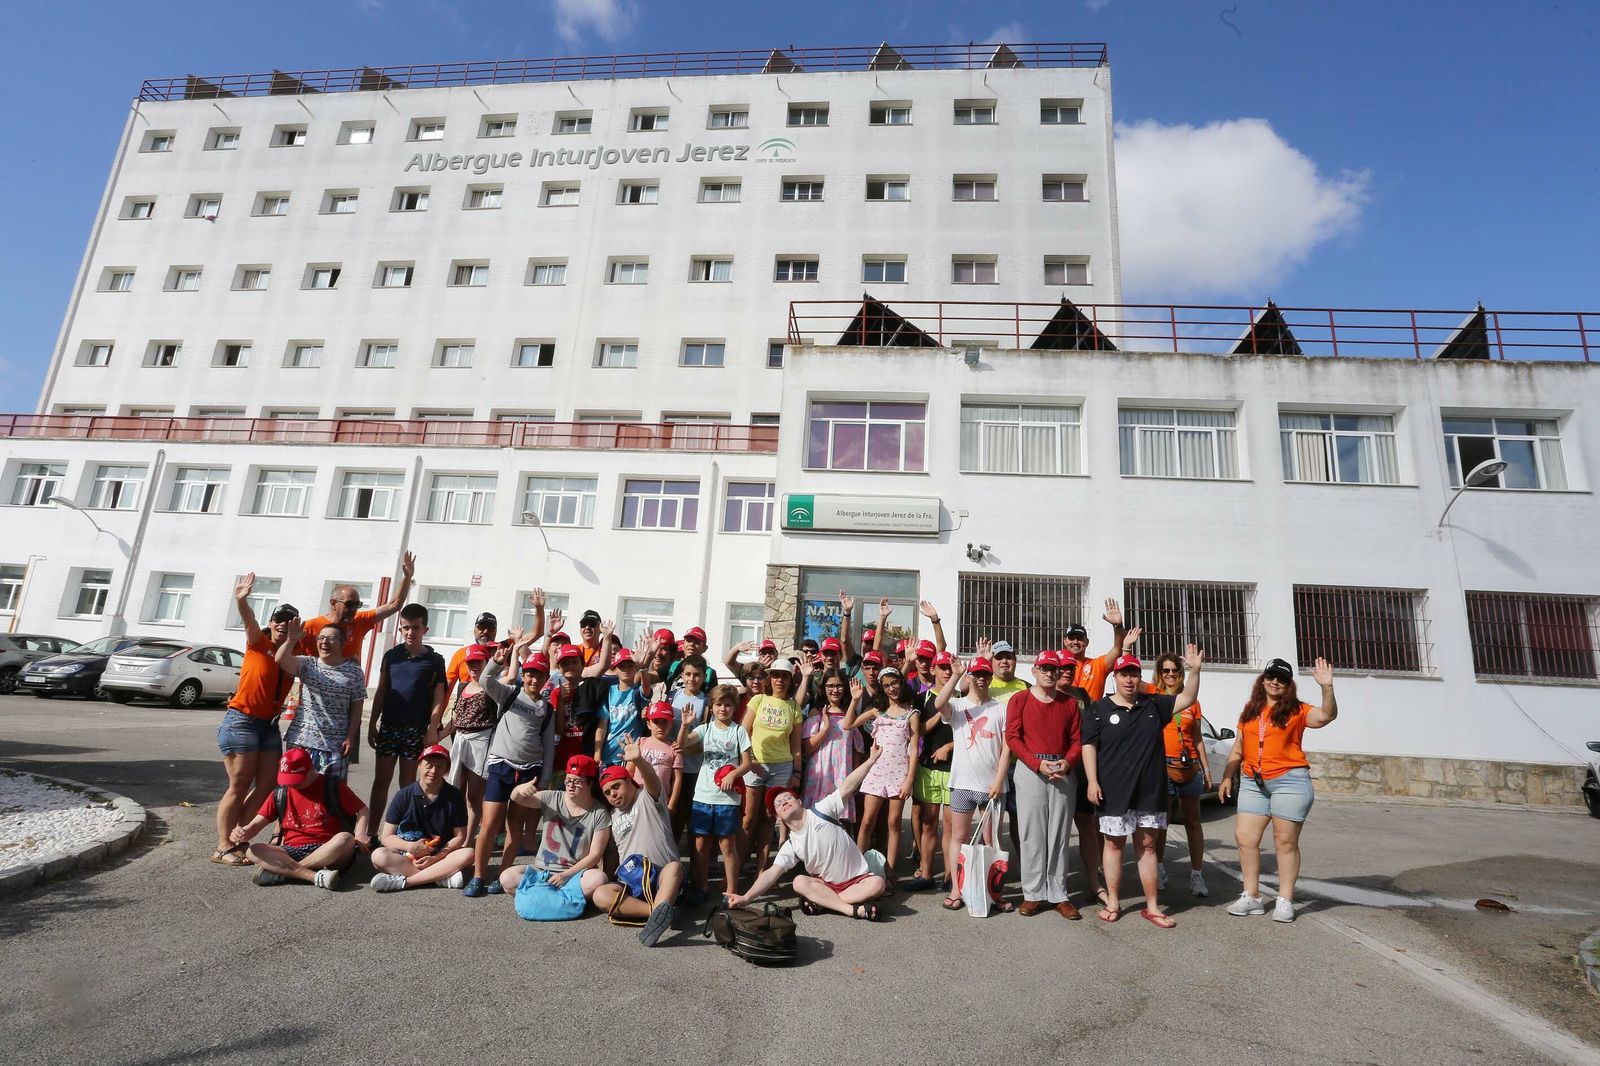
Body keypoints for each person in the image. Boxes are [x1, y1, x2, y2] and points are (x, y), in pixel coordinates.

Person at [1083, 644, 1203, 928]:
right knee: (1113, 845)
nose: (1129, 679)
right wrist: (1091, 781)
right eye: (1123, 674)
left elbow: (1187, 697)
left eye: (1134, 674)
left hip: (1149, 790)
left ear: (1139, 677)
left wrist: (1196, 671)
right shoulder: (1098, 709)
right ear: (1115, 676)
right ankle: (1113, 900)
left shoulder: (1155, 705)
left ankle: (1152, 906)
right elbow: (1089, 745)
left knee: (1147, 846)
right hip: (1112, 790)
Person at [1219, 656, 1338, 923]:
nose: (1275, 682)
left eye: (1282, 679)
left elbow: (1326, 716)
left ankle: (1285, 899)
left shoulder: (1298, 710)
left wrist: (1327, 688)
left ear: (1289, 685)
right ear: (1262, 680)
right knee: (1245, 838)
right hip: (1253, 781)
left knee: (1284, 842)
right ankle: (1252, 896)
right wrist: (1228, 776)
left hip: (1289, 781)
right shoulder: (1249, 711)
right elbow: (1238, 748)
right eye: (1270, 676)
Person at [729, 744, 889, 921]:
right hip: (827, 886)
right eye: (778, 804)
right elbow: (771, 873)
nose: (783, 802)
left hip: (859, 881)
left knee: (877, 884)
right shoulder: (791, 844)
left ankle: (825, 902)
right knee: (799, 882)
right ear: (779, 818)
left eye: (787, 797)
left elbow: (847, 787)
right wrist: (746, 898)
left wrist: (871, 760)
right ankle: (851, 910)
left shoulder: (822, 810)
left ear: (799, 801)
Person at [464, 633, 560, 897]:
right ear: (524, 674)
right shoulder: (509, 693)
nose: (532, 679)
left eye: (538, 676)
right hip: (501, 767)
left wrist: (544, 779)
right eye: (529, 674)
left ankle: (503, 874)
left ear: (545, 679)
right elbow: (485, 680)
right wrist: (496, 661)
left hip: (529, 773)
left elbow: (549, 747)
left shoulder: (547, 708)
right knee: (489, 824)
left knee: (515, 826)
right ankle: (478, 875)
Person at [213, 574, 296, 866]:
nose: (284, 623)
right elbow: (249, 620)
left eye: (291, 619)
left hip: (269, 726)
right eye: (280, 618)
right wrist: (242, 600)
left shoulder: (291, 655)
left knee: (267, 784)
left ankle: (238, 838)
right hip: (242, 721)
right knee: (239, 784)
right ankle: (223, 847)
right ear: (271, 623)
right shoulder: (257, 643)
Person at [1004, 650, 1083, 919]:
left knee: (1059, 834)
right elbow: (1013, 737)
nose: (1050, 673)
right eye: (1045, 668)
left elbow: (1076, 740)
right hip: (1030, 770)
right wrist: (1037, 764)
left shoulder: (1070, 703)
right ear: (1035, 671)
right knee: (1031, 834)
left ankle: (1058, 893)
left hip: (1061, 772)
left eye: (1054, 669)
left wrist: (1067, 762)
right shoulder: (1020, 700)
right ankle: (1033, 894)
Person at [933, 655, 1014, 911]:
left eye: (985, 674)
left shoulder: (1000, 708)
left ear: (991, 678)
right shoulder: (957, 706)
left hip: (993, 788)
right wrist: (956, 675)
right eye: (976, 674)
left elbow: (1006, 749)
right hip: (962, 784)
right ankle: (957, 890)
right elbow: (938, 703)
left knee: (992, 842)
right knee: (959, 836)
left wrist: (1000, 781)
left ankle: (993, 893)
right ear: (970, 677)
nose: (981, 678)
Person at [366, 603, 448, 840]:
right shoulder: (391, 656)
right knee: (380, 780)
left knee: (409, 783)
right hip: (389, 726)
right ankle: (371, 832)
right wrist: (373, 723)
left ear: (425, 629)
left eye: (415, 628)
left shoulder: (434, 660)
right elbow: (381, 690)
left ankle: (405, 831)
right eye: (405, 628)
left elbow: (439, 696)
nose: (409, 633)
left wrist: (433, 728)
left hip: (416, 729)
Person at [232, 747, 368, 889]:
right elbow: (256, 825)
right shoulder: (280, 793)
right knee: (253, 850)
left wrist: (360, 834)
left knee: (345, 838)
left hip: (328, 848)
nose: (291, 784)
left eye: (296, 780)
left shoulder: (332, 785)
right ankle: (313, 876)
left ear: (310, 770)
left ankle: (285, 872)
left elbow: (362, 810)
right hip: (292, 850)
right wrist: (243, 832)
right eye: (288, 779)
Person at [594, 741, 685, 946]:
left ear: (629, 781)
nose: (613, 795)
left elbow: (652, 779)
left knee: (674, 868)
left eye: (616, 786)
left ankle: (656, 918)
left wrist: (638, 760)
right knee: (601, 895)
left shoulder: (648, 797)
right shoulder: (613, 816)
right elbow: (612, 855)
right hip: (633, 884)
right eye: (608, 793)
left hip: (662, 877)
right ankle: (658, 913)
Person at [499, 755, 613, 905]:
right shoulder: (552, 798)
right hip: (542, 870)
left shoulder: (599, 813)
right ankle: (562, 899)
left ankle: (541, 897)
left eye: (578, 781)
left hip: (575, 874)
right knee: (507, 877)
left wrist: (565, 875)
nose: (571, 785)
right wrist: (518, 789)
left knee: (598, 879)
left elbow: (595, 855)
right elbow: (518, 799)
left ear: (590, 783)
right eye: (568, 780)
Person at [843, 665, 919, 885]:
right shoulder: (877, 710)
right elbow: (848, 724)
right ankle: (857, 869)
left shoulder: (912, 714)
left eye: (894, 683)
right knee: (867, 821)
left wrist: (909, 779)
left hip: (899, 774)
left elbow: (913, 749)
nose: (891, 688)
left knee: (894, 822)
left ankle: (890, 872)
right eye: (886, 685)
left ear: (901, 683)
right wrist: (855, 699)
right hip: (875, 772)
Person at [680, 683, 755, 904]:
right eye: (719, 704)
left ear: (734, 708)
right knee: (701, 843)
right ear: (712, 707)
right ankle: (702, 886)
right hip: (703, 796)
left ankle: (731, 890)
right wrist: (684, 726)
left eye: (728, 705)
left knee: (726, 845)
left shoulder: (739, 730)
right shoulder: (705, 729)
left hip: (727, 798)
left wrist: (733, 775)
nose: (723, 709)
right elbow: (682, 743)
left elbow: (748, 763)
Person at [368, 744, 475, 891]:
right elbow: (386, 836)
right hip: (407, 854)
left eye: (439, 766)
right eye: (429, 765)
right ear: (419, 765)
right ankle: (440, 877)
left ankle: (408, 881)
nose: (433, 771)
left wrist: (435, 858)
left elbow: (460, 836)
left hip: (440, 854)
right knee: (378, 856)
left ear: (446, 769)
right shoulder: (403, 795)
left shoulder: (455, 796)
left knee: (469, 854)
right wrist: (411, 847)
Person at [275, 618, 367, 780]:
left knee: (332, 795)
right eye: (321, 638)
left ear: (342, 643)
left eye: (331, 638)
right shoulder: (308, 664)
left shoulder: (354, 671)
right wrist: (291, 640)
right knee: (296, 792)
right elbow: (280, 659)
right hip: (302, 742)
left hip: (335, 745)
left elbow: (357, 706)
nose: (324, 642)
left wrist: (351, 736)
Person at [1152, 651, 1212, 897]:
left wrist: (1206, 769)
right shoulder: (1154, 698)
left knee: (1192, 821)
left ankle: (1197, 875)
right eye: (1165, 670)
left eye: (1175, 670)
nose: (1170, 674)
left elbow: (1197, 737)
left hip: (1188, 766)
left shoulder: (1192, 701)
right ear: (1159, 673)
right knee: (1161, 822)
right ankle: (1158, 869)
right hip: (1162, 765)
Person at [740, 658, 805, 870]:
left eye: (784, 676)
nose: (780, 680)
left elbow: (796, 746)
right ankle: (737, 868)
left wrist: (797, 772)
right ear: (770, 678)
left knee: (768, 819)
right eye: (776, 675)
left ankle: (762, 870)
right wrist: (751, 760)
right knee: (749, 819)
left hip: (782, 767)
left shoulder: (794, 707)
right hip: (755, 764)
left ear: (790, 679)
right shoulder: (758, 700)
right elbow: (742, 732)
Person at [298, 551, 415, 658]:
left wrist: (407, 577)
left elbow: (394, 605)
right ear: (333, 603)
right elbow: (290, 659)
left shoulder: (359, 620)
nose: (353, 609)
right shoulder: (309, 627)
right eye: (349, 604)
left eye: (357, 605)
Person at [905, 651, 956, 892]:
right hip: (928, 767)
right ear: (932, 670)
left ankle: (949, 875)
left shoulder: (961, 696)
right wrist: (940, 710)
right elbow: (918, 731)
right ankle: (926, 873)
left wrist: (950, 746)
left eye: (949, 667)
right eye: (942, 667)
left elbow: (969, 734)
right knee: (928, 823)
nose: (946, 671)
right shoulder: (921, 698)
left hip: (954, 769)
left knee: (951, 826)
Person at [443, 643, 497, 847]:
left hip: (481, 741)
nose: (474, 666)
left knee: (474, 795)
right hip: (460, 740)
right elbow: (457, 716)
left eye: (478, 662)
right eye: (470, 662)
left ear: (486, 662)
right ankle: (454, 835)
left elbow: (509, 678)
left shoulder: (492, 686)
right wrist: (439, 734)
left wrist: (516, 648)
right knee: (455, 790)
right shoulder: (464, 686)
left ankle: (467, 841)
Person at [802, 670, 865, 826]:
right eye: (830, 686)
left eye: (839, 686)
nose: (835, 690)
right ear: (823, 688)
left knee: (840, 826)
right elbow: (806, 748)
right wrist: (824, 729)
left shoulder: (850, 715)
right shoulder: (816, 713)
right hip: (819, 777)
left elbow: (858, 749)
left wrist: (855, 779)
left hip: (842, 776)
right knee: (815, 823)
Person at [594, 638, 648, 767]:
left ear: (635, 668)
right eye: (622, 666)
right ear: (615, 669)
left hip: (632, 757)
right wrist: (597, 752)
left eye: (630, 666)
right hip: (609, 755)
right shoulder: (608, 692)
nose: (626, 670)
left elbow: (646, 689)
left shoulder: (637, 692)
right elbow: (602, 726)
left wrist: (643, 668)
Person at [1063, 599, 1129, 703]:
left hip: (1090, 717)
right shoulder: (1056, 666)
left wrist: (1118, 626)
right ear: (1065, 641)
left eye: (1080, 638)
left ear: (1087, 642)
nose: (1075, 642)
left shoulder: (1097, 665)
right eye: (1072, 638)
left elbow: (1118, 649)